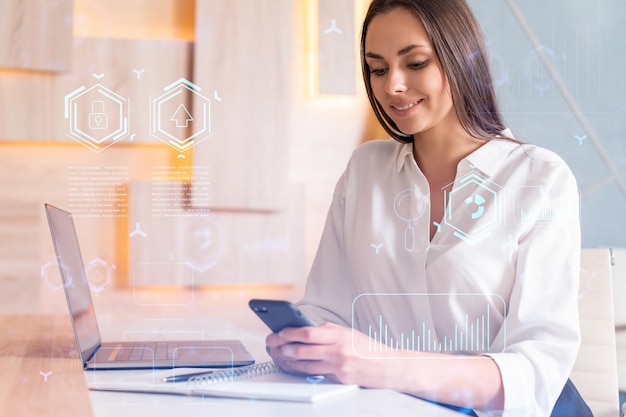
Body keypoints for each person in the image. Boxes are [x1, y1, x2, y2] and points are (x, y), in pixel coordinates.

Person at [266, 0, 591, 416]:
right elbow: (327, 309)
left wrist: (380, 364)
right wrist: (304, 342)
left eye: (415, 63)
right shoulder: (364, 171)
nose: (392, 86)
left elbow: (535, 372)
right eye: (378, 69)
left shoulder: (539, 179)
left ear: (460, 59)